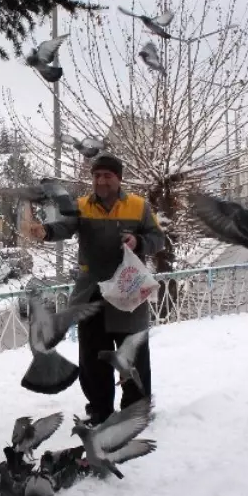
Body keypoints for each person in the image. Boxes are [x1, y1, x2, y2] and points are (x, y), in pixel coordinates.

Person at [25, 153, 165, 425]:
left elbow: (157, 238)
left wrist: (138, 241)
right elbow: (65, 227)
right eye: (96, 175)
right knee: (93, 360)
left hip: (128, 294)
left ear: (119, 178)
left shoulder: (138, 207)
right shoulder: (82, 206)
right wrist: (45, 232)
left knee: (133, 357)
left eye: (107, 176)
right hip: (92, 296)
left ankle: (135, 411)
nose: (101, 181)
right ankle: (100, 411)